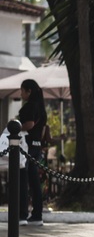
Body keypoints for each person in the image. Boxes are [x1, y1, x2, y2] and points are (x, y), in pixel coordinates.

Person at [19, 79, 47, 226]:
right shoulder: (41, 108)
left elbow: (29, 124)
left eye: (22, 90)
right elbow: (42, 130)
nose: (21, 93)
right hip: (37, 146)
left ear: (29, 91)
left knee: (22, 179)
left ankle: (22, 215)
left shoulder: (30, 107)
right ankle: (37, 214)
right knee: (35, 182)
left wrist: (16, 127)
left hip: (27, 145)